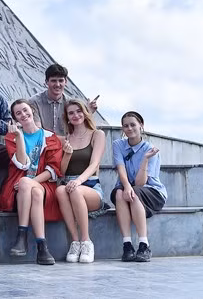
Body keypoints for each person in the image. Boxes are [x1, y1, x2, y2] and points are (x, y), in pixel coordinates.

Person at [0, 99, 59, 265]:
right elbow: (22, 163)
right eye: (18, 113)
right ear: (15, 119)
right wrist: (19, 137)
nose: (23, 115)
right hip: (21, 186)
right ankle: (42, 246)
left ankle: (22, 236)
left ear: (32, 110)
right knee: (34, 192)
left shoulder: (50, 137)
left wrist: (30, 181)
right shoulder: (12, 137)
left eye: (25, 110)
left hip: (43, 182)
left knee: (28, 184)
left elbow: (52, 169)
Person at [110, 111, 167, 262]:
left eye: (133, 124)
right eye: (125, 126)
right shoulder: (118, 145)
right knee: (119, 193)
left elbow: (141, 183)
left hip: (152, 192)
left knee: (133, 191)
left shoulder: (150, 149)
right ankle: (127, 245)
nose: (129, 128)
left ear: (141, 126)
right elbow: (121, 168)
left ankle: (144, 244)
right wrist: (127, 186)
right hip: (127, 188)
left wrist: (146, 159)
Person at [55, 99, 106, 263]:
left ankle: (86, 241)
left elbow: (94, 164)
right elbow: (62, 172)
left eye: (79, 111)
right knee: (59, 190)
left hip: (90, 186)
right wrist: (67, 154)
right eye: (71, 113)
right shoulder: (66, 139)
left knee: (73, 189)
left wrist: (78, 181)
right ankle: (75, 242)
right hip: (69, 185)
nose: (76, 115)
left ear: (85, 113)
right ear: (67, 118)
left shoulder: (97, 134)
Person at [29, 63, 98, 135]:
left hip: (68, 144)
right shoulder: (34, 102)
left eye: (61, 80)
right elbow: (37, 131)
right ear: (46, 82)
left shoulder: (71, 104)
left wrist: (88, 112)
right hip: (43, 143)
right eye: (53, 81)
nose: (57, 84)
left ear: (66, 82)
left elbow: (79, 130)